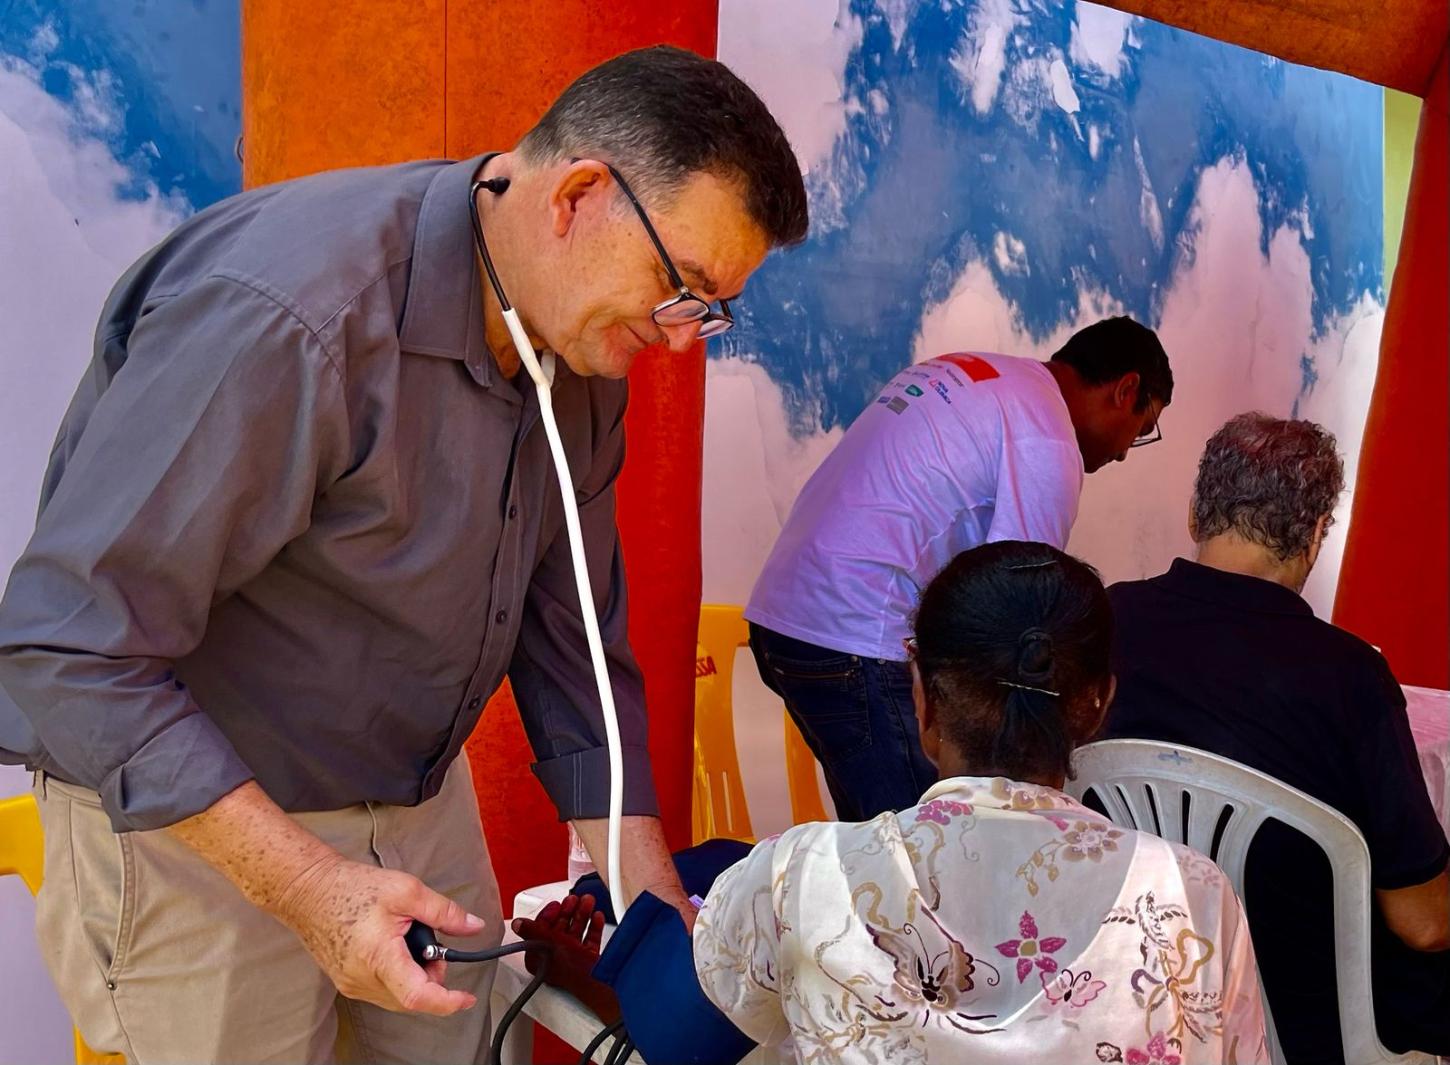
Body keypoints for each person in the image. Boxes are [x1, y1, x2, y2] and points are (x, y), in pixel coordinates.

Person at [0, 45, 807, 1064]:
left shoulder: (580, 346)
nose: (682, 337)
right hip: (198, 826)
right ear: (578, 199)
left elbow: (575, 652)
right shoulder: (295, 314)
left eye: (710, 307)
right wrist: (308, 886)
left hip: (414, 798)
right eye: (679, 286)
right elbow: (67, 646)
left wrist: (656, 918)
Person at [520, 541, 1268, 1064]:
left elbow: (682, 1035)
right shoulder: (1194, 895)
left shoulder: (803, 876)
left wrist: (591, 974)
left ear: (921, 696)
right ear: (1098, 703)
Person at [1103, 412, 1450, 1064]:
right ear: (1315, 534)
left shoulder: (1105, 621)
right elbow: (1424, 923)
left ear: (1195, 513)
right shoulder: (1348, 673)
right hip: (1309, 1017)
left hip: (1142, 978)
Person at [746, 317, 1174, 821]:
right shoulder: (1046, 435)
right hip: (858, 637)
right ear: (1126, 390)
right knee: (926, 848)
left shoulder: (983, 378)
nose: (1123, 454)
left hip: (786, 619)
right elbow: (1020, 614)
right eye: (1141, 430)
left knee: (880, 835)